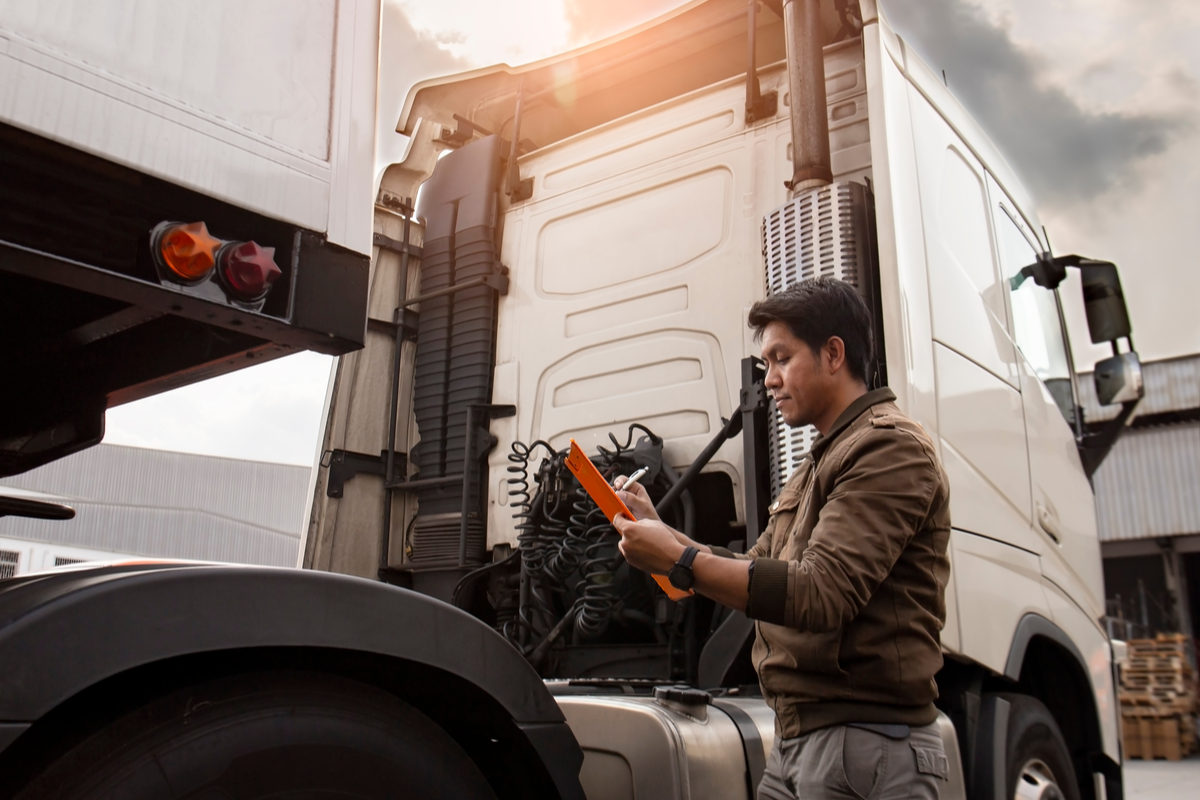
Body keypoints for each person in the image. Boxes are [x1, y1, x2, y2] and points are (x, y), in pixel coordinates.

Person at [613, 277, 952, 800]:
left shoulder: (889, 448)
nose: (768, 379)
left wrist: (679, 558)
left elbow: (819, 593)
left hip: (866, 745)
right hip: (801, 741)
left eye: (780, 358)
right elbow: (756, 570)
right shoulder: (819, 462)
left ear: (833, 354)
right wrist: (662, 530)